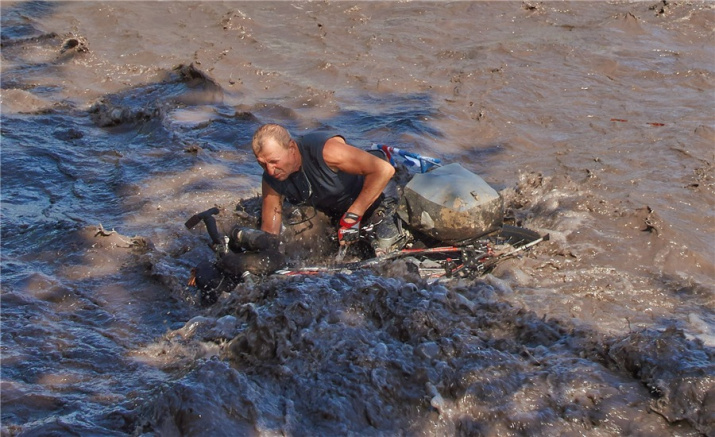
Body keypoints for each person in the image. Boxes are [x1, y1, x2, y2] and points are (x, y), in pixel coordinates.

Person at [251, 123, 402, 255]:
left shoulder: (325, 151)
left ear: (291, 148)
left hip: (376, 197)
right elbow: (270, 231)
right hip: (337, 213)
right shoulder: (271, 179)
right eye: (263, 164)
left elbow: (384, 170)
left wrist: (354, 215)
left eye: (274, 162)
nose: (270, 170)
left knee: (384, 246)